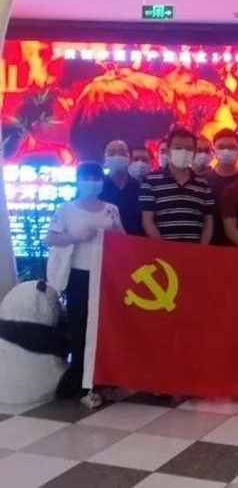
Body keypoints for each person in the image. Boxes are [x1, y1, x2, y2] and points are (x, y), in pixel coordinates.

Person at [47, 162, 124, 408]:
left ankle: (106, 382)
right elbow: (51, 237)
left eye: (95, 178)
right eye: (86, 178)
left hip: (106, 277)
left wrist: (115, 235)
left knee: (105, 329)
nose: (91, 182)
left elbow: (123, 240)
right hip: (79, 277)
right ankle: (83, 385)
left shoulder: (111, 209)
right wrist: (77, 237)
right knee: (80, 328)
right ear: (78, 181)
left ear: (102, 182)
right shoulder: (66, 209)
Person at [140, 128, 214, 244]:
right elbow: (147, 220)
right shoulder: (150, 180)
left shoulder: (203, 183)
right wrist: (164, 248)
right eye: (177, 148)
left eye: (189, 148)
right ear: (168, 151)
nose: (183, 152)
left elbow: (208, 221)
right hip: (162, 251)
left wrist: (202, 248)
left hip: (195, 250)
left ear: (194, 152)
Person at [202, 129, 238, 246]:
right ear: (214, 150)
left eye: (231, 147)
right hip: (209, 245)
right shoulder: (202, 181)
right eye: (221, 147)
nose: (226, 151)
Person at [100, 139, 143, 236]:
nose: (117, 157)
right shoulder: (97, 187)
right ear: (104, 160)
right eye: (111, 154)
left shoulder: (140, 188)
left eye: (122, 153)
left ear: (130, 159)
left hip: (134, 241)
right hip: (104, 241)